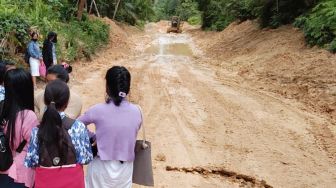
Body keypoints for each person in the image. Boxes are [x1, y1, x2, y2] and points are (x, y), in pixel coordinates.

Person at [79, 66, 142, 188]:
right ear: (128, 89)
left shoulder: (97, 110)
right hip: (125, 170)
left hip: (101, 168)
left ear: (107, 88)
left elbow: (76, 125)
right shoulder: (137, 112)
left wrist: (93, 137)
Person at [25, 80, 92, 188]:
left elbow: (31, 161)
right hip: (73, 182)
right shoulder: (78, 127)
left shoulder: (37, 131)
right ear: (66, 103)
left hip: (46, 182)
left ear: (45, 101)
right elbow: (86, 158)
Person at [0, 69, 38, 188]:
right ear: (27, 88)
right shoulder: (27, 116)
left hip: (3, 166)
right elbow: (35, 147)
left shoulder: (2, 109)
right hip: (20, 173)